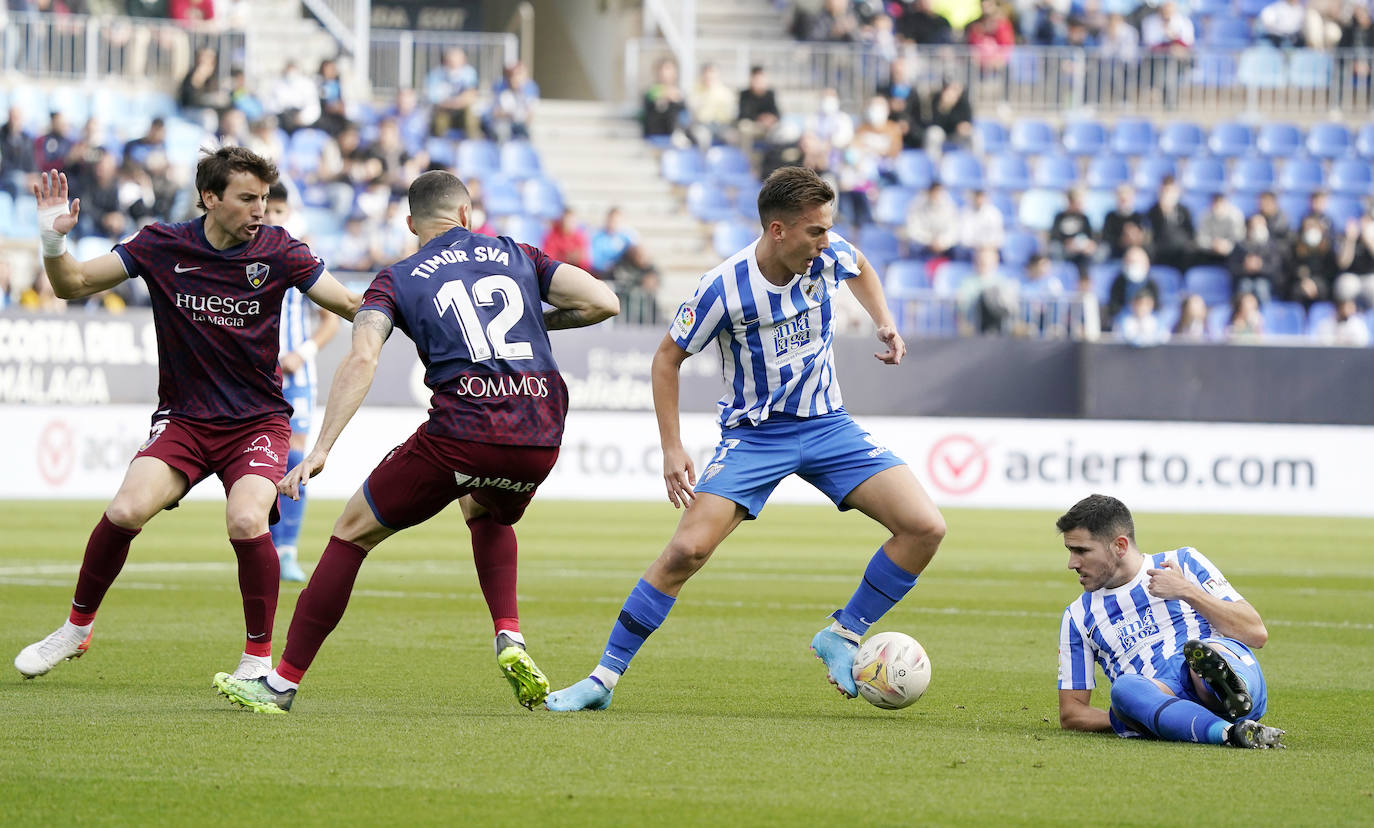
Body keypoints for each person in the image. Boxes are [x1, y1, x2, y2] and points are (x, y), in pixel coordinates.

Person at [210, 170, 619, 713]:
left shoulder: (398, 277)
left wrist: (322, 448)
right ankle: (510, 635)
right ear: (467, 215)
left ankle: (279, 684)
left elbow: (362, 358)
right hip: (540, 430)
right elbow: (604, 302)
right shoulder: (518, 253)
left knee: (352, 532)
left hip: (464, 430)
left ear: (410, 224)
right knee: (486, 510)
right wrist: (537, 323)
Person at [545, 165, 947, 712]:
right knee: (687, 550)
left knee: (925, 527)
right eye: (815, 231)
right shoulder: (723, 287)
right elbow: (667, 358)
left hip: (828, 424)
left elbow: (862, 267)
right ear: (778, 230)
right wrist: (672, 446)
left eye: (828, 230)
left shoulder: (828, 254)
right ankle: (602, 680)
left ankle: (843, 633)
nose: (826, 242)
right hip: (756, 437)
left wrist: (883, 321)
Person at [14, 148, 361, 681]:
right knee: (126, 509)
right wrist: (53, 238)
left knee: (246, 519)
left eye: (265, 199)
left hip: (257, 421)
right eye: (248, 199)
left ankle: (255, 661)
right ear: (210, 197)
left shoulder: (281, 251)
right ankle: (77, 628)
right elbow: (72, 285)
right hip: (185, 419)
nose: (260, 211)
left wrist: (417, 306)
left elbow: (349, 306)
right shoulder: (160, 244)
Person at [1055, 494, 1285, 749]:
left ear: (1119, 546)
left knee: (1204, 656)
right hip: (1162, 697)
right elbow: (1072, 713)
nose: (1072, 563)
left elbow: (1255, 633)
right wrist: (1130, 714)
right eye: (1070, 551)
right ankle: (1231, 733)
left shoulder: (1184, 563)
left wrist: (1188, 591)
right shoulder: (1077, 616)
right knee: (1125, 689)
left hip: (1220, 666)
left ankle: (1224, 689)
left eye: (1081, 551)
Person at [264, 184, 340, 582]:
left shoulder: (301, 258)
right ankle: (263, 545)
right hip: (256, 377)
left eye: (280, 211)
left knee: (295, 460)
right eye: (268, 210)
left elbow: (332, 318)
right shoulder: (246, 256)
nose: (273, 218)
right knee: (261, 463)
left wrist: (303, 353)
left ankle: (287, 550)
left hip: (295, 376)